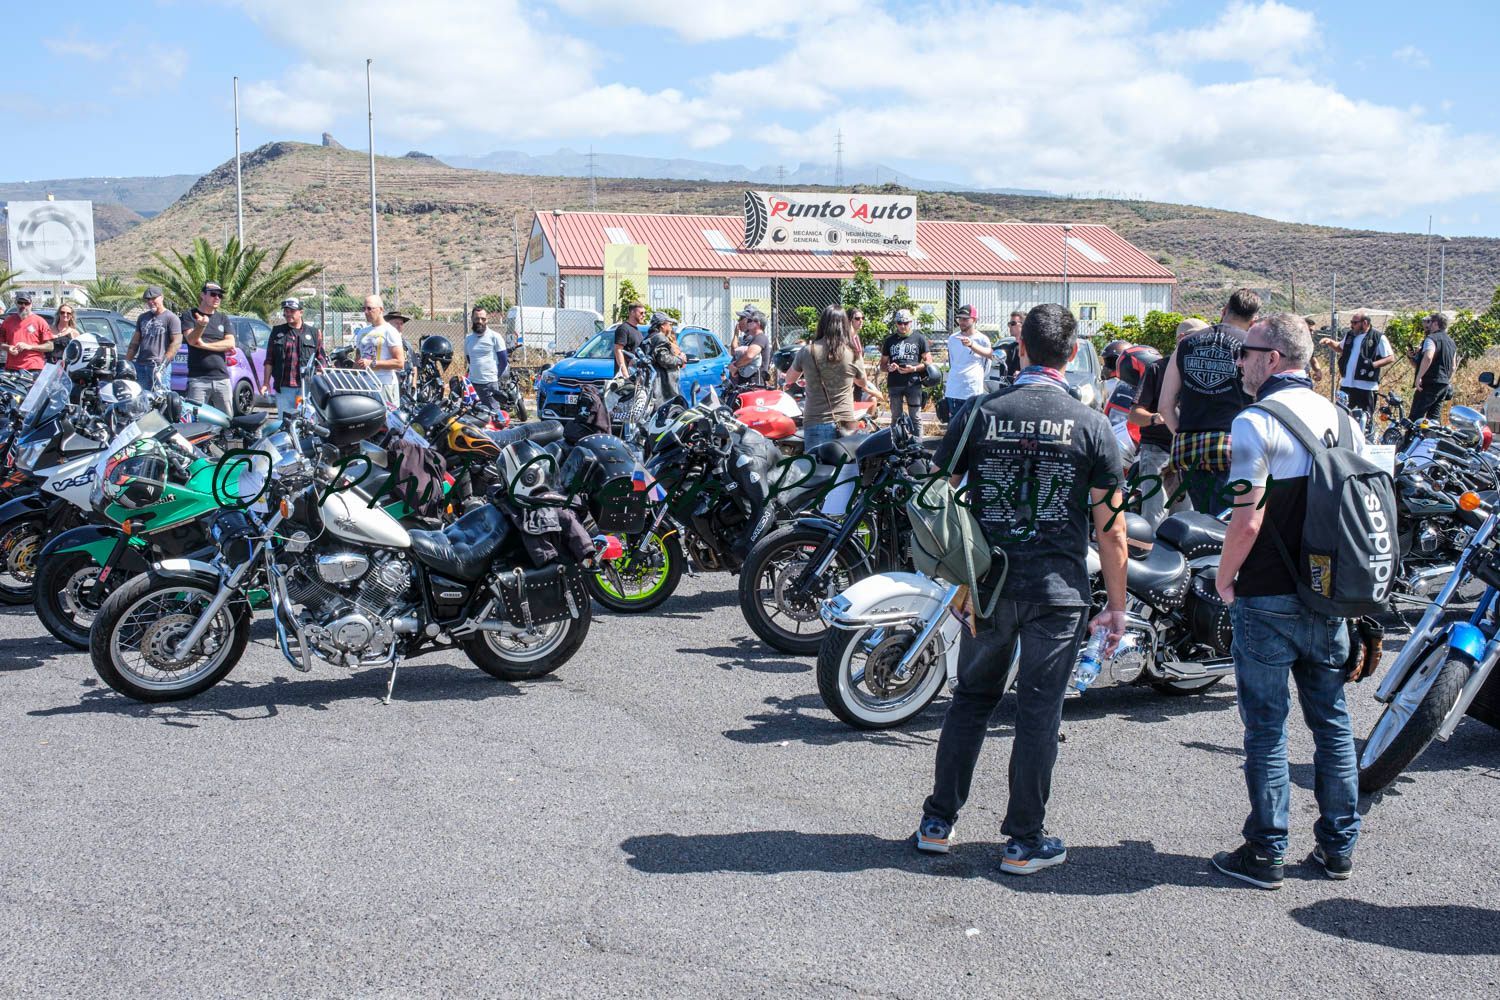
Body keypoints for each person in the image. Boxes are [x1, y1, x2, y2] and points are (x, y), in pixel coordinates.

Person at [914, 303, 1128, 874]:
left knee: (971, 699)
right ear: (1072, 353)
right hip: (1057, 590)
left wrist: (954, 578)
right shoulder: (1091, 424)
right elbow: (1111, 529)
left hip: (987, 585)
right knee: (1039, 711)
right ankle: (1022, 842)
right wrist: (1117, 605)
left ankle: (938, 822)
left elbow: (936, 500)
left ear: (1022, 348)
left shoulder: (980, 412)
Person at [1212, 313, 1360, 889]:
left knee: (1267, 729)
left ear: (1272, 358)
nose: (1239, 362)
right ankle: (1338, 849)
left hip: (1268, 593)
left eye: (1245, 352)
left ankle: (1266, 852)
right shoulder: (1343, 419)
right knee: (1332, 723)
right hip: (1329, 593)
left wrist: (1225, 578)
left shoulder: (1255, 422)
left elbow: (1247, 518)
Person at [1159, 288, 1259, 512]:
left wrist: (1185, 435)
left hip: (1190, 450)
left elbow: (1165, 406)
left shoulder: (1185, 344)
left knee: (1203, 518)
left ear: (1224, 311)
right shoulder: (1251, 348)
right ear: (1253, 322)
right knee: (1227, 521)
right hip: (1234, 447)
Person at [1130, 318, 1208, 525]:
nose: (1207, 344)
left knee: (1186, 522)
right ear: (1182, 339)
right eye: (1201, 339)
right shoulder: (1157, 369)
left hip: (1190, 453)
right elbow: (1135, 414)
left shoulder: (1204, 370)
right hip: (1157, 451)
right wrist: (1156, 418)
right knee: (1155, 518)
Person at [782, 305, 883, 450]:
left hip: (816, 421)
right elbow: (862, 382)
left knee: (816, 463)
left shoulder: (807, 351)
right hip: (846, 423)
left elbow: (789, 379)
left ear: (822, 324)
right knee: (846, 464)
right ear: (845, 325)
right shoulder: (853, 353)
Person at [1320, 311, 1393, 414]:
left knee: (1364, 417)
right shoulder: (1350, 335)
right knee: (1341, 414)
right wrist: (1330, 342)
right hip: (1347, 384)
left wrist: (1373, 365)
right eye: (1351, 322)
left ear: (1365, 323)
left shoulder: (1378, 337)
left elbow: (1390, 357)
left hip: (1366, 386)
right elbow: (1340, 348)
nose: (1352, 325)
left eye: (1355, 323)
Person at [263, 297, 326, 415]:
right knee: (285, 421)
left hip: (306, 388)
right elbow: (269, 360)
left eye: (292, 311)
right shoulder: (277, 332)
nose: (288, 314)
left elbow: (321, 359)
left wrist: (318, 376)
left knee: (306, 421)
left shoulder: (314, 333)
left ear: (301, 312)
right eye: (286, 311)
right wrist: (266, 383)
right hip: (284, 388)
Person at [181, 282, 236, 413]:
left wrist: (204, 345)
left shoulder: (223, 318)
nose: (217, 298)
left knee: (227, 419)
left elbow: (230, 343)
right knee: (196, 420)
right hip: (198, 379)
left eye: (220, 295)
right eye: (213, 294)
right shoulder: (190, 315)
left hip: (222, 379)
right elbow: (191, 340)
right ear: (203, 295)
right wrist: (201, 326)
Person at [940, 305, 992, 423]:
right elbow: (952, 362)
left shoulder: (982, 339)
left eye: (965, 319)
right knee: (954, 426)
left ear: (974, 319)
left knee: (971, 425)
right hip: (954, 389)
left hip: (973, 390)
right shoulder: (953, 338)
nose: (962, 322)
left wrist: (972, 345)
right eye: (960, 319)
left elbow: (988, 360)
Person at [881, 309, 931, 431]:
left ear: (911, 322)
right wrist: (889, 368)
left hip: (913, 383)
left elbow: (929, 362)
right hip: (895, 384)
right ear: (896, 323)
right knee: (895, 417)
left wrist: (914, 368)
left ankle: (917, 441)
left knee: (915, 417)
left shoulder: (919, 338)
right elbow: (882, 365)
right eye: (900, 323)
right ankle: (895, 441)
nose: (903, 326)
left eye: (906, 323)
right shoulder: (889, 340)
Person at [354, 294, 406, 407]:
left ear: (381, 310)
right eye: (364, 308)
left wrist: (372, 363)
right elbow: (357, 360)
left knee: (387, 417)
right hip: (364, 383)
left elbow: (399, 363)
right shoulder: (362, 332)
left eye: (370, 308)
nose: (366, 312)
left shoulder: (390, 331)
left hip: (383, 384)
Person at [125, 286, 181, 389]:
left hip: (159, 366)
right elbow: (134, 343)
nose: (151, 302)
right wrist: (126, 363)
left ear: (162, 297)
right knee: (141, 396)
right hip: (141, 365)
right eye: (148, 299)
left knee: (160, 396)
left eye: (154, 298)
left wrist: (163, 365)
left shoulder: (171, 318)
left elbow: (176, 343)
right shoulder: (142, 318)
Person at [1410, 312, 1457, 422]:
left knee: (1415, 418)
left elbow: (1428, 357)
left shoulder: (1431, 339)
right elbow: (1453, 367)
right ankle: (1433, 434)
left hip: (1429, 383)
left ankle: (1411, 434)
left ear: (1435, 323)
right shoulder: (1452, 342)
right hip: (1443, 384)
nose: (1428, 325)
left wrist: (1419, 377)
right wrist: (1445, 380)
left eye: (1429, 322)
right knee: (1434, 419)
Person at [464, 306, 508, 411]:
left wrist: (494, 376)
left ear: (487, 320)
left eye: (483, 319)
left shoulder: (495, 337)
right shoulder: (468, 339)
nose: (480, 321)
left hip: (490, 384)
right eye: (477, 318)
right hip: (473, 384)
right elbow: (469, 359)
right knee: (474, 414)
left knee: (494, 414)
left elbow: (503, 361)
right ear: (472, 319)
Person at [2, 291, 55, 373]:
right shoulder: (8, 321)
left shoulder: (40, 321)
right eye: (20, 302)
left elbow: (50, 346)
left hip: (33, 367)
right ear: (16, 303)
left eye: (26, 303)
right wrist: (8, 347)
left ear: (31, 304)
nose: (23, 306)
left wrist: (30, 347)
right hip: (12, 368)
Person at [645, 312, 686, 400]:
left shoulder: (649, 337)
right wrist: (680, 359)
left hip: (652, 384)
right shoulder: (660, 338)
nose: (671, 328)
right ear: (662, 325)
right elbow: (664, 359)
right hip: (662, 387)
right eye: (670, 324)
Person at [727, 308, 770, 386]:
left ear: (758, 323)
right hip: (747, 383)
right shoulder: (754, 338)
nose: (747, 323)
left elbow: (749, 356)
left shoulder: (760, 338)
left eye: (750, 321)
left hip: (755, 384)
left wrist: (734, 366)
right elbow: (735, 352)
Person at [612, 302, 647, 378]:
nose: (644, 315)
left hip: (636, 374)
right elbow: (618, 350)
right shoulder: (623, 329)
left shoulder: (637, 330)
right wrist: (625, 374)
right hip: (627, 376)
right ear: (632, 312)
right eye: (641, 313)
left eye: (645, 313)